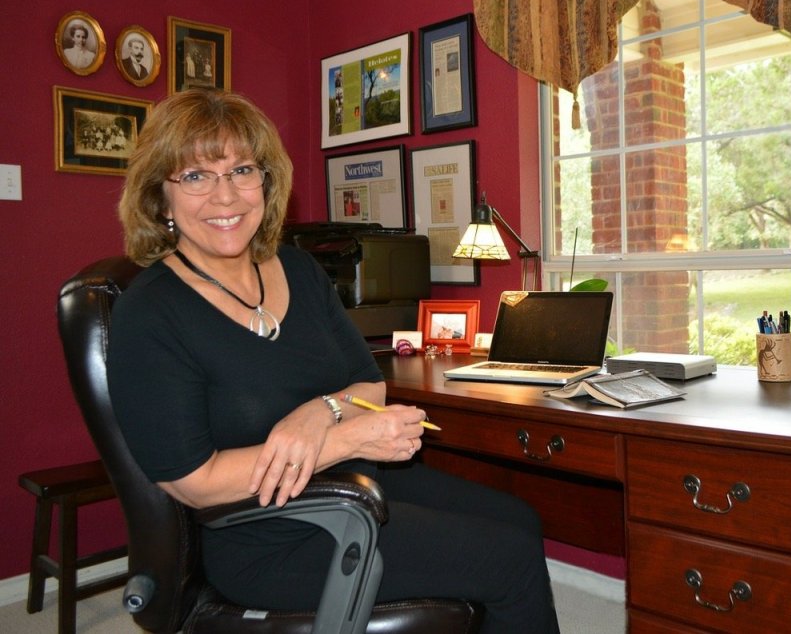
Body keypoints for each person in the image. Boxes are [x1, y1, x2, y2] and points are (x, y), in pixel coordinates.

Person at [108, 88, 560, 634]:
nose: (225, 196)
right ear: (161, 199)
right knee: (507, 559)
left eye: (242, 170)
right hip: (269, 533)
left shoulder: (298, 270)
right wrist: (344, 439)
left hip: (355, 483)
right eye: (196, 176)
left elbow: (369, 384)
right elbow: (194, 482)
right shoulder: (150, 312)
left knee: (519, 519)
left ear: (265, 181)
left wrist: (318, 413)